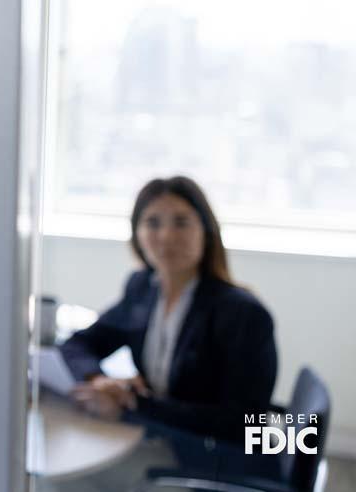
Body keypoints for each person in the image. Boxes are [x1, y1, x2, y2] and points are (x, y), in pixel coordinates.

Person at [55, 176, 278, 490]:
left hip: (205, 457)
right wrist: (99, 379)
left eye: (181, 223)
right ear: (137, 234)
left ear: (207, 231)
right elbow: (79, 343)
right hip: (158, 435)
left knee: (69, 480)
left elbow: (241, 422)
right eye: (152, 223)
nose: (166, 236)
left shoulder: (242, 313)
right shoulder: (143, 288)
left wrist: (134, 405)